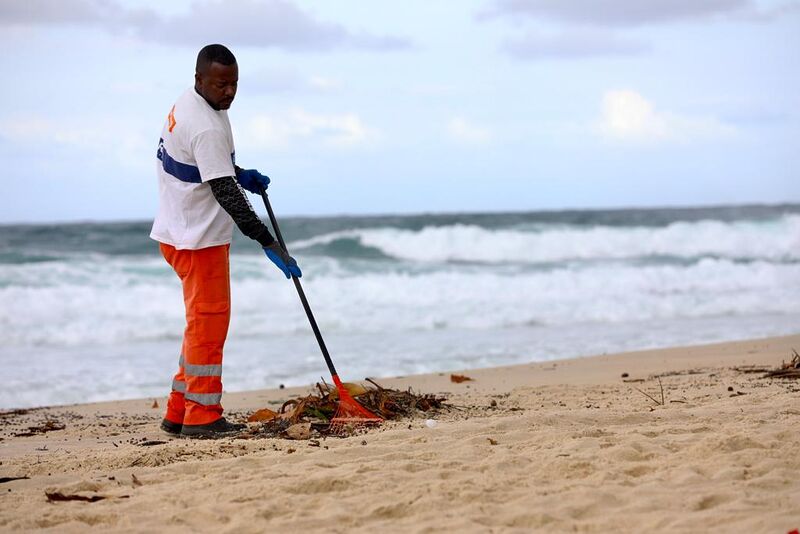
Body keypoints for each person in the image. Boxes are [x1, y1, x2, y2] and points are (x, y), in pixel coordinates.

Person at [150, 44, 301, 438]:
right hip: (197, 239)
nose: (229, 92)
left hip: (177, 231)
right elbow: (227, 195)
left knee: (199, 324)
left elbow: (210, 164)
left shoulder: (194, 105)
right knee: (210, 325)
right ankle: (202, 415)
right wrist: (268, 242)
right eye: (221, 84)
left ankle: (178, 409)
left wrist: (237, 170)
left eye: (234, 84)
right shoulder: (205, 125)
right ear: (199, 78)